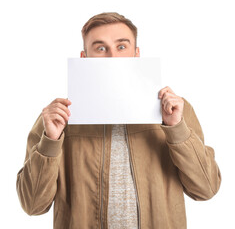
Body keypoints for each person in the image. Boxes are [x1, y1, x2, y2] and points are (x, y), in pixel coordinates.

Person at [16, 12, 221, 229]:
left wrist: (176, 129)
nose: (112, 56)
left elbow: (206, 188)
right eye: (101, 48)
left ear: (137, 54)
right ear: (84, 58)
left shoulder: (174, 110)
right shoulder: (58, 117)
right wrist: (50, 140)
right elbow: (32, 205)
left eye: (121, 47)